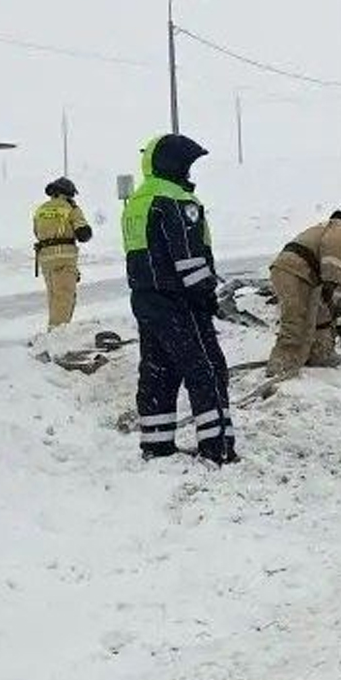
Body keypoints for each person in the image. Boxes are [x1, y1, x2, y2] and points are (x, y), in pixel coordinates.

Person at [123, 134, 235, 464]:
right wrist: (206, 298)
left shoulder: (138, 202)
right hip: (181, 302)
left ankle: (156, 445)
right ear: (173, 165)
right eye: (186, 165)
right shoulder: (175, 200)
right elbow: (188, 259)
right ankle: (218, 448)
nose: (189, 173)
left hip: (146, 301)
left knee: (158, 372)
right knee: (208, 370)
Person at [264, 199, 341, 381]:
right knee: (296, 320)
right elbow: (333, 256)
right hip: (294, 271)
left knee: (320, 317)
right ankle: (282, 366)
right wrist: (330, 284)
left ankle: (320, 353)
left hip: (306, 273)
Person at [32, 177, 93, 328]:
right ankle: (58, 333)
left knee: (53, 296)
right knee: (65, 296)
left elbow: (36, 232)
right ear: (67, 193)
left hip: (45, 259)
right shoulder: (70, 208)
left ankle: (54, 329)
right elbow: (83, 234)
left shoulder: (41, 209)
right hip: (64, 258)